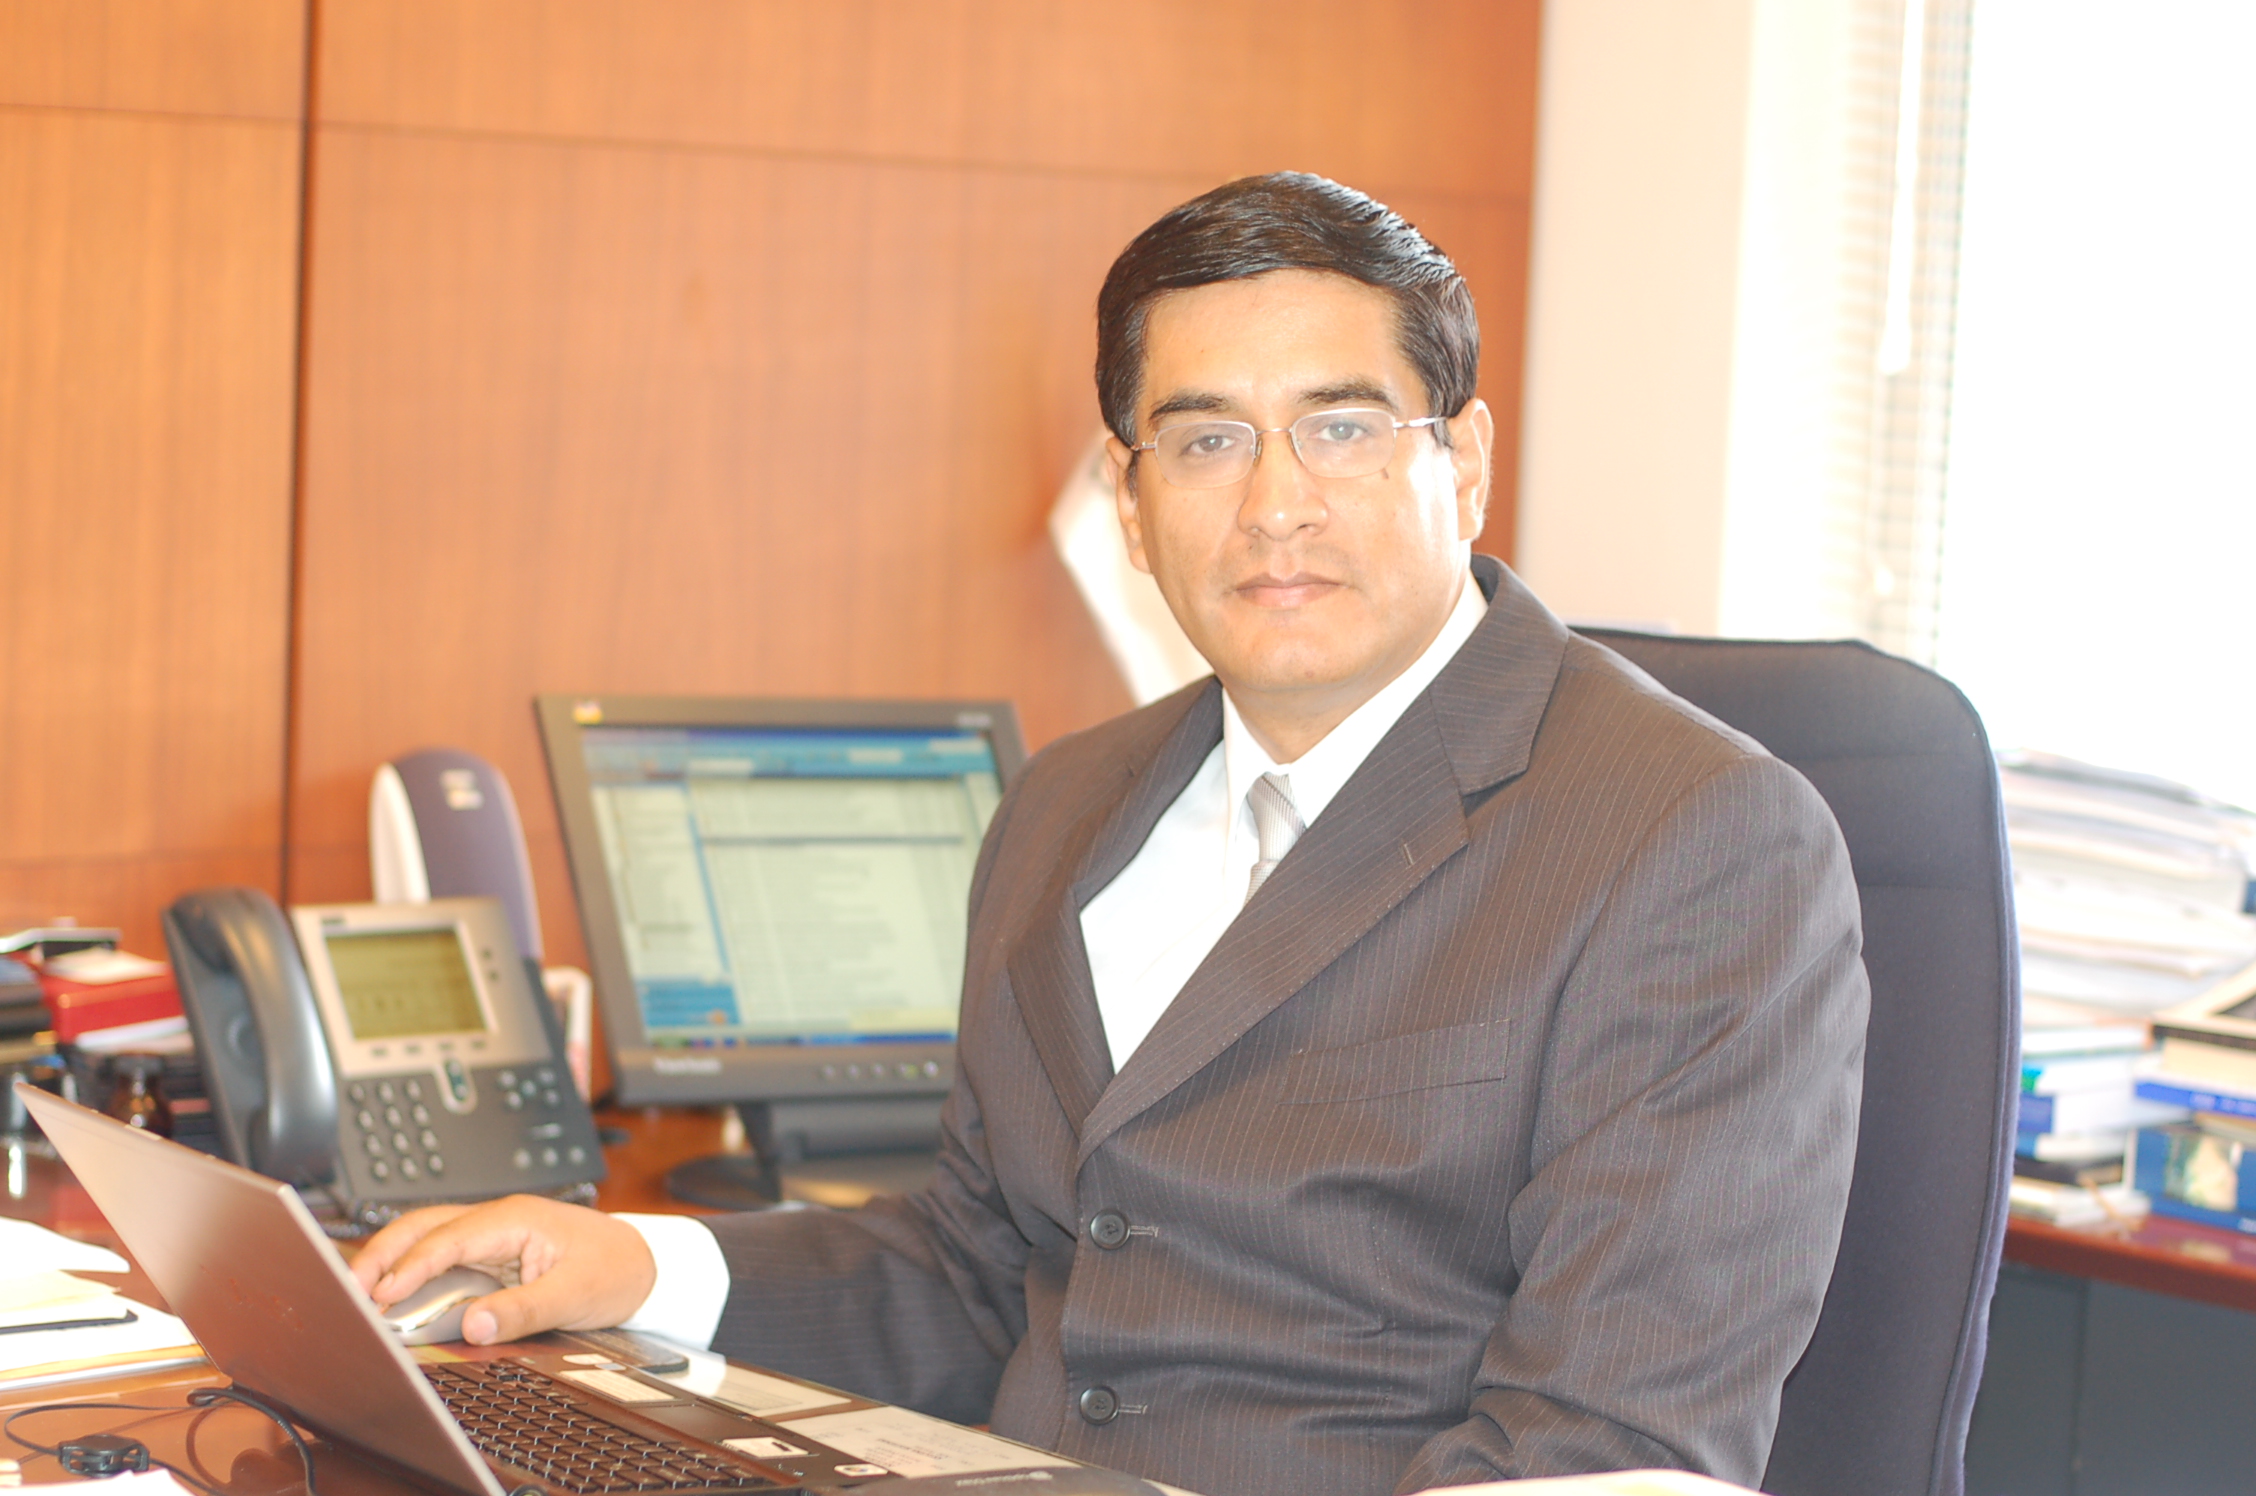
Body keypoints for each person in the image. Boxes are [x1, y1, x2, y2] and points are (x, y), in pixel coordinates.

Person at [354, 173, 1867, 1496]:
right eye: (1205, 444)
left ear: (1461, 464)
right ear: (1133, 507)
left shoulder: (1696, 840)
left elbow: (1601, 1444)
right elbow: (980, 1273)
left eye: (1341, 428)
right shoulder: (1065, 805)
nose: (1275, 505)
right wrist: (632, 1260)